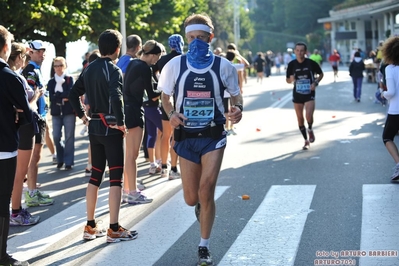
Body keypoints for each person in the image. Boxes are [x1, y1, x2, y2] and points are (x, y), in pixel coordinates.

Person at [159, 13, 243, 266]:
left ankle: (203, 247)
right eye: (193, 37)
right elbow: (164, 97)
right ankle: (200, 207)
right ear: (186, 37)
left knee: (206, 191)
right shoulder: (174, 65)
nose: (197, 42)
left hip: (213, 135)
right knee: (190, 198)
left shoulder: (224, 66)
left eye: (202, 37)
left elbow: (237, 96)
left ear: (210, 37)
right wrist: (172, 114)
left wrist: (238, 110)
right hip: (185, 137)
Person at [69, 29, 138, 243]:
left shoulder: (89, 68)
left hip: (95, 126)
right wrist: (121, 123)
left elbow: (73, 93)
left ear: (100, 47)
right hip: (110, 127)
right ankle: (114, 228)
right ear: (118, 49)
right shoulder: (114, 69)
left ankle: (90, 226)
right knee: (116, 178)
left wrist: (82, 116)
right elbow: (116, 97)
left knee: (95, 176)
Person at [0, 24, 32, 266]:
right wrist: (17, 112)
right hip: (4, 147)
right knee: (3, 202)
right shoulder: (9, 77)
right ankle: (2, 256)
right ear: (5, 47)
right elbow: (27, 115)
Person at [122, 40, 164, 204]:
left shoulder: (134, 63)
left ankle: (128, 190)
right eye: (158, 56)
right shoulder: (145, 68)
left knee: (129, 155)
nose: (157, 60)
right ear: (152, 55)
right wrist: (165, 88)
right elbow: (152, 94)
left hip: (126, 110)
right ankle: (132, 192)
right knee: (133, 155)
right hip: (135, 112)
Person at [8, 42, 41, 227]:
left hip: (20, 127)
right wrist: (36, 96)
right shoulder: (16, 77)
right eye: (24, 56)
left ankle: (15, 210)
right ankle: (16, 212)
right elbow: (26, 107)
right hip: (25, 127)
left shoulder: (15, 76)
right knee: (20, 174)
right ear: (19, 57)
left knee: (17, 174)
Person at [22, 40, 54, 207]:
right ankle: (31, 193)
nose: (42, 54)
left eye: (43, 51)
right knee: (34, 158)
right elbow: (29, 96)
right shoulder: (31, 71)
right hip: (35, 118)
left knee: (36, 157)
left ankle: (32, 190)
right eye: (39, 51)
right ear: (30, 52)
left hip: (39, 117)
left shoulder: (35, 70)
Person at [154, 34, 184, 180]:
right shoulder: (185, 59)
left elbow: (155, 75)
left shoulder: (162, 60)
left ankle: (164, 167)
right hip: (179, 102)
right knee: (176, 137)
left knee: (165, 136)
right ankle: (174, 168)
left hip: (165, 100)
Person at [286, 42, 323, 150]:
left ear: (305, 52)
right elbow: (287, 80)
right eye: (297, 50)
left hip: (309, 93)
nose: (299, 53)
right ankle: (306, 140)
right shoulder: (291, 64)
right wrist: (291, 80)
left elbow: (321, 74)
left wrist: (315, 83)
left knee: (308, 116)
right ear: (294, 52)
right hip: (297, 94)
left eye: (302, 50)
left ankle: (310, 128)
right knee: (300, 119)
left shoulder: (311, 63)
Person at [47, 57, 76, 170]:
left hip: (68, 111)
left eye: (60, 65)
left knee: (69, 136)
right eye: (56, 66)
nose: (58, 68)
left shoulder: (69, 79)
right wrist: (62, 97)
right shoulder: (51, 82)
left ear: (65, 66)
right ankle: (60, 158)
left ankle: (68, 162)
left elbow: (70, 93)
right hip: (55, 112)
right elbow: (52, 97)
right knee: (56, 137)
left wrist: (59, 95)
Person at [379, 36, 399, 181]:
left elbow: (391, 92)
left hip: (396, 109)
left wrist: (382, 93)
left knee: (387, 137)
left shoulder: (390, 69)